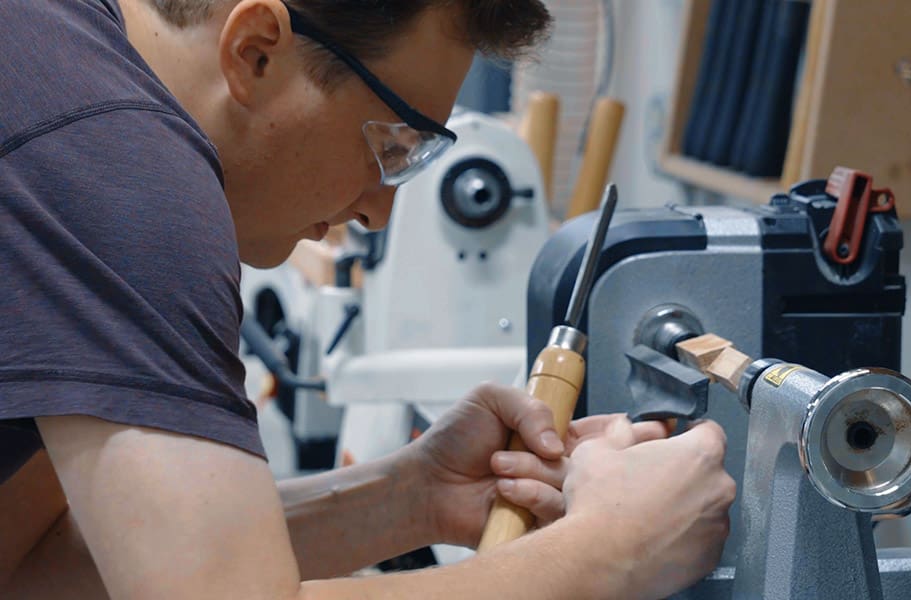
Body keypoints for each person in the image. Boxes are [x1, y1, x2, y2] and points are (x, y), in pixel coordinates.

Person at [0, 0, 738, 598]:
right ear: (256, 48)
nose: (379, 210)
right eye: (393, 143)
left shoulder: (55, 69)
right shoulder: (115, 165)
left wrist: (407, 496)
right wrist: (613, 551)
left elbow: (30, 565)